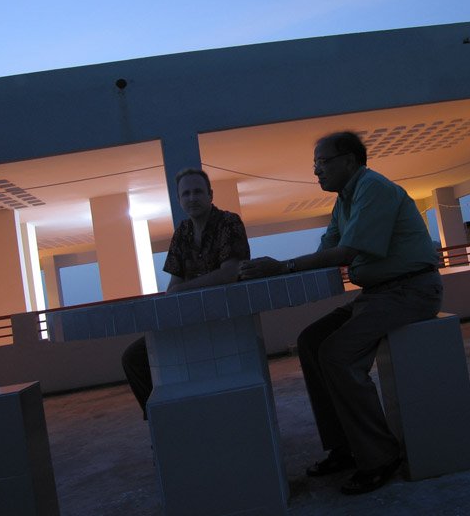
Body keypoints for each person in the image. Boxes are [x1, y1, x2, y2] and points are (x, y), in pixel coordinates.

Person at [239, 131, 443, 495]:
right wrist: (272, 275)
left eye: (322, 162)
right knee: (311, 340)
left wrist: (282, 266)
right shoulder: (344, 202)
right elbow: (327, 251)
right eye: (315, 164)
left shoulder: (373, 188)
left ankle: (380, 455)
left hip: (411, 290)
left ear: (349, 160)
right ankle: (344, 446)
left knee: (337, 355)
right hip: (378, 295)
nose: (316, 171)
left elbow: (346, 253)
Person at [122, 168, 250, 419]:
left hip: (225, 320)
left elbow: (230, 273)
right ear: (179, 200)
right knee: (134, 358)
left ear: (210, 195)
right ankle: (162, 422)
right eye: (186, 193)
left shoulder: (229, 222)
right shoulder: (182, 233)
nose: (192, 198)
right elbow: (174, 283)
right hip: (190, 321)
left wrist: (183, 289)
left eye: (198, 191)